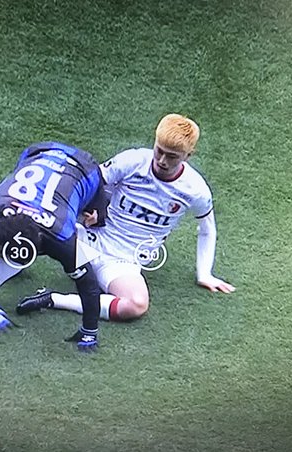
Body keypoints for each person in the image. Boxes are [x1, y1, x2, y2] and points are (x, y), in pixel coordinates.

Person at [14, 114, 235, 322]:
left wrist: (205, 273)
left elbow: (207, 229)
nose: (162, 160)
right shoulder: (133, 160)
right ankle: (4, 267)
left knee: (136, 305)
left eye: (172, 156)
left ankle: (52, 300)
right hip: (85, 242)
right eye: (159, 151)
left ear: (188, 155)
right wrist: (92, 208)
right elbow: (89, 182)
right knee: (28, 221)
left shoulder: (195, 189)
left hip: (122, 264)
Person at [0, 141, 108, 349]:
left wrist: (89, 331)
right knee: (14, 252)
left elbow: (88, 282)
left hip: (86, 168)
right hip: (37, 153)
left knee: (97, 221)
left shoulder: (62, 235)